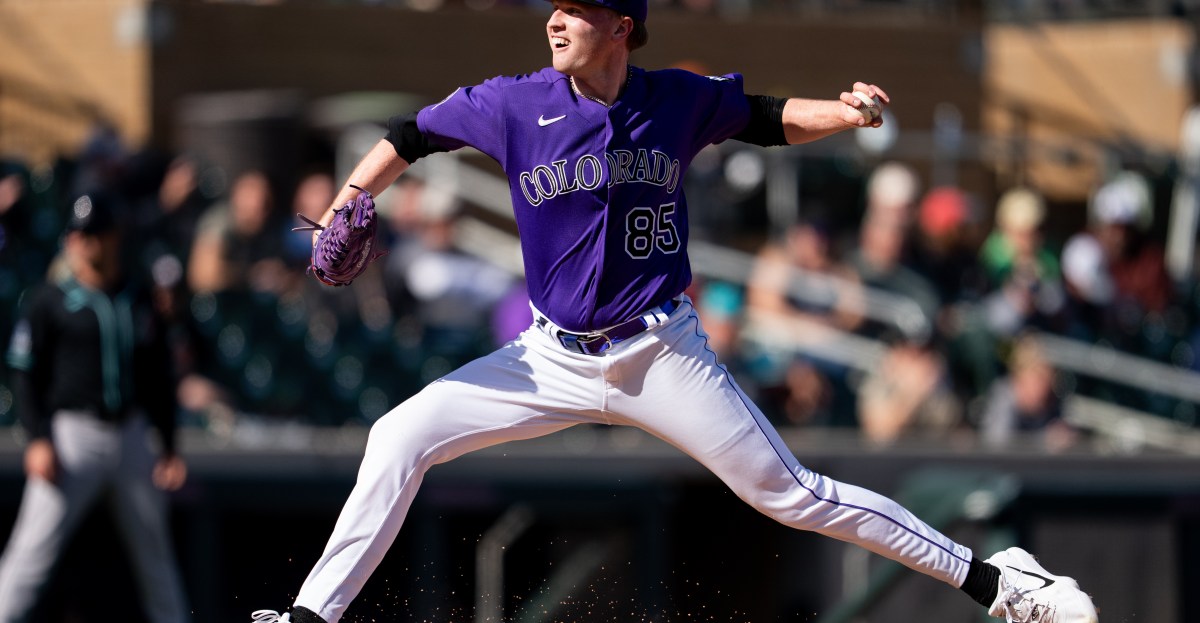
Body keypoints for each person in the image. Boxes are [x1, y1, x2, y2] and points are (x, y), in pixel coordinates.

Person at [254, 0, 1099, 621]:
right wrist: (349, 198)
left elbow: (766, 119)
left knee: (793, 494)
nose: (555, 20)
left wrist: (844, 114)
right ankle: (308, 617)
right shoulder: (514, 102)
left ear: (622, 25)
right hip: (547, 357)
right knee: (398, 435)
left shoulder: (675, 100)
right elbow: (409, 133)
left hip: (660, 352)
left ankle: (1003, 583)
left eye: (577, 9)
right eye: (553, 7)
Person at [0, 192, 191, 622]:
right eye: (78, 234)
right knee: (31, 553)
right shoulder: (49, 299)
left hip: (132, 434)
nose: (84, 242)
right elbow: (25, 374)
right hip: (72, 438)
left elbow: (159, 378)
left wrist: (169, 446)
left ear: (113, 237)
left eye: (93, 233)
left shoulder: (138, 298)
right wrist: (38, 439)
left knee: (157, 557)